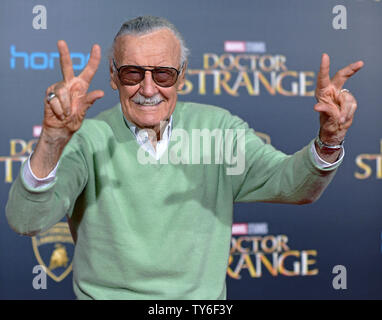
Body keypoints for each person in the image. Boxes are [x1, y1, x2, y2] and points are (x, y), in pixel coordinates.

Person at [6, 16, 363, 299]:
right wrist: (53, 139)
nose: (148, 89)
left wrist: (329, 140)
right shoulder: (87, 138)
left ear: (182, 76)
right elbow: (27, 221)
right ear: (113, 78)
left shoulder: (219, 129)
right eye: (133, 73)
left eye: (163, 74)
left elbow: (292, 185)